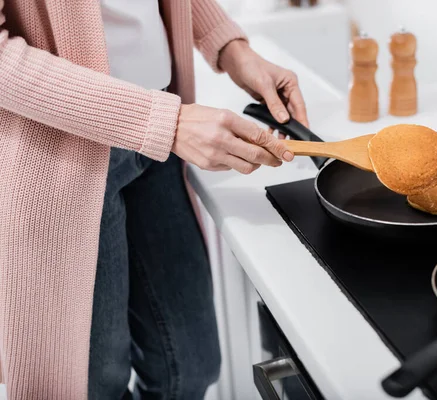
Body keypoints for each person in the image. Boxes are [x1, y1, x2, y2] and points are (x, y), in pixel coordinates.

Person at [0, 0, 308, 398]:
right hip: (63, 160)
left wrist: (233, 49)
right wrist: (163, 122)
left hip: (159, 136)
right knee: (96, 384)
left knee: (192, 366)